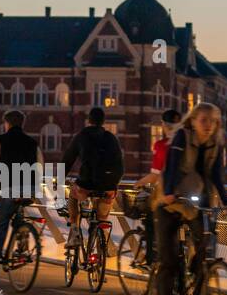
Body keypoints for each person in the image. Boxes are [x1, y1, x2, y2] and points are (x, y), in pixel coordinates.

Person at [153, 102, 227, 295]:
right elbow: (171, 167)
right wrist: (168, 192)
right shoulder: (181, 137)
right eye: (204, 120)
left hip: (197, 200)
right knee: (168, 260)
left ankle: (194, 279)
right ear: (193, 121)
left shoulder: (216, 144)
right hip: (170, 201)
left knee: (206, 246)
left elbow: (217, 176)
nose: (208, 125)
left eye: (213, 121)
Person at [0, 109, 44, 276]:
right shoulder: (32, 143)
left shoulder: (1, 140)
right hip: (29, 189)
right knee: (19, 215)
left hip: (10, 188)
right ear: (22, 124)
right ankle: (21, 250)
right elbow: (40, 167)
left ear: (6, 124)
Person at [61, 106, 124, 247]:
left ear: (89, 120)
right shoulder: (111, 138)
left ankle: (75, 230)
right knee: (101, 219)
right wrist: (114, 184)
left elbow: (68, 159)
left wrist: (59, 178)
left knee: (73, 196)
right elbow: (120, 164)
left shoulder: (82, 136)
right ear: (103, 121)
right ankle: (99, 241)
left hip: (86, 184)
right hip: (108, 186)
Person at [133, 107, 184, 263]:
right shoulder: (186, 143)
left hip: (166, 194)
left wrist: (139, 183)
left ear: (163, 125)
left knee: (150, 219)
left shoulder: (161, 146)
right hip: (186, 193)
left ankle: (150, 258)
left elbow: (155, 175)